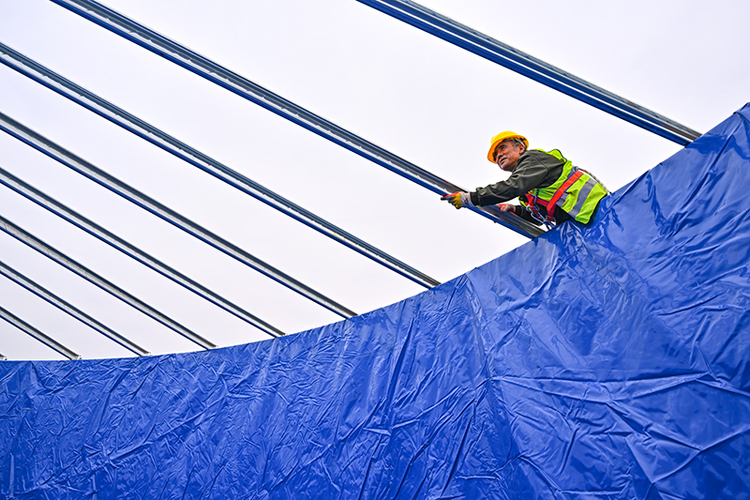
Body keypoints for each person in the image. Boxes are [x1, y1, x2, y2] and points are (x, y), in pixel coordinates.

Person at [441, 131, 608, 228]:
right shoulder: (529, 189)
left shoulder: (533, 159)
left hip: (600, 211)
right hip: (583, 223)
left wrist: (471, 198)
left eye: (502, 148)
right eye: (496, 155)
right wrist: (516, 211)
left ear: (520, 148)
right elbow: (538, 218)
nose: (499, 155)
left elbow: (513, 186)